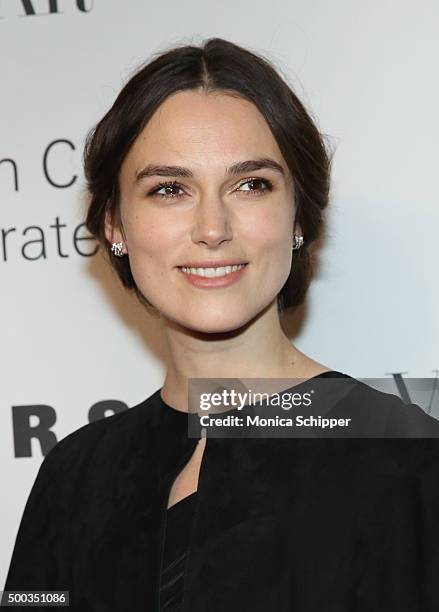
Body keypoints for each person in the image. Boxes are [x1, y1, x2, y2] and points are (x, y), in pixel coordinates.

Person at [3, 37, 439, 612]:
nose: (212, 227)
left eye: (251, 184)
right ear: (115, 226)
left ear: (298, 217)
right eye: (169, 189)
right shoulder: (72, 478)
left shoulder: (406, 462)